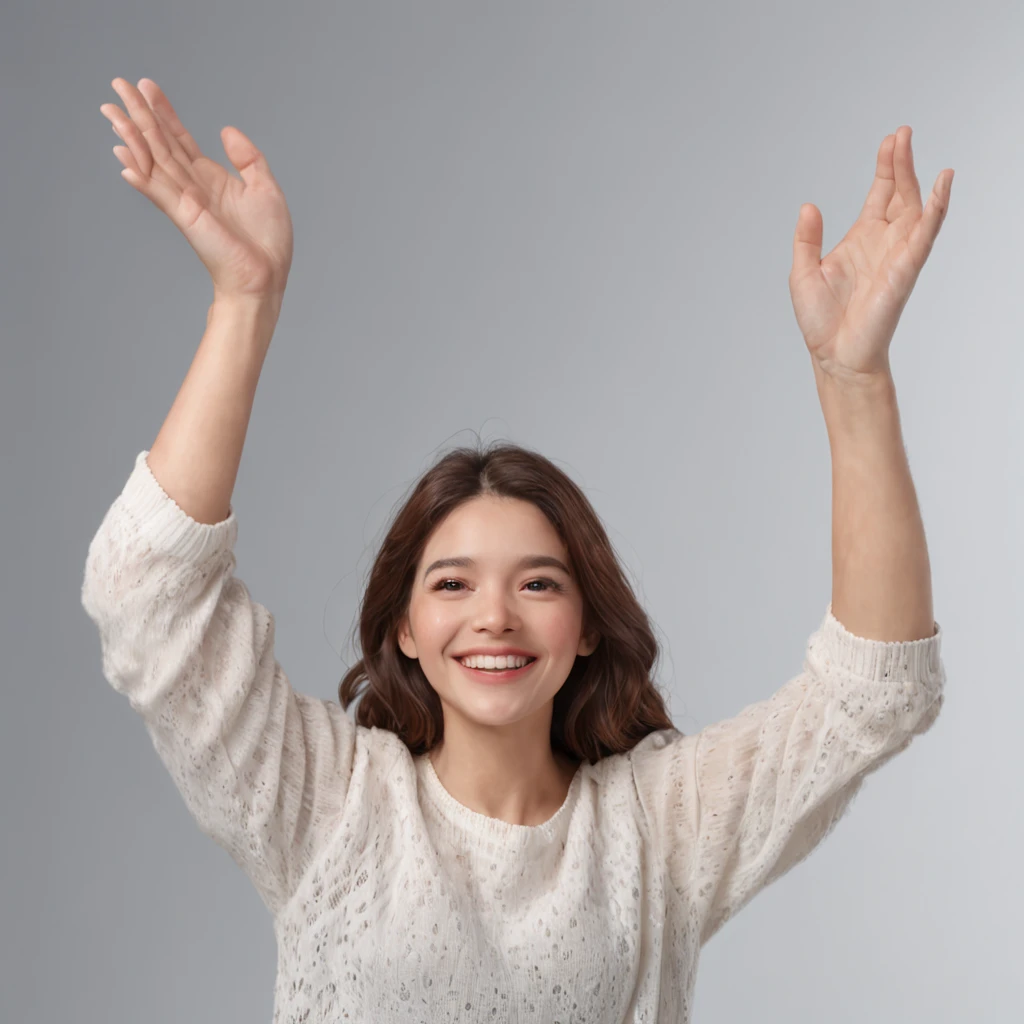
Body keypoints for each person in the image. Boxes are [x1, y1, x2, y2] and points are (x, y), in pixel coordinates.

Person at [82, 77, 950, 1023]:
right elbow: (145, 591)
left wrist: (853, 379)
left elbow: (873, 693)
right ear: (405, 628)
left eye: (538, 582)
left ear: (586, 627)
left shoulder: (658, 834)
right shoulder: (329, 806)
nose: (493, 616)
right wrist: (245, 304)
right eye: (452, 583)